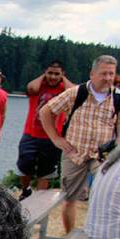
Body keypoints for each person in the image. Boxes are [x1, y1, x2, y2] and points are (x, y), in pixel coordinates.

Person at [40, 54, 120, 234]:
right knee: (69, 198)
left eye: (111, 74)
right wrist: (56, 139)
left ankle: (99, 233)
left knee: (106, 195)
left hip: (103, 156)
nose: (108, 78)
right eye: (104, 74)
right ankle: (69, 236)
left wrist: (119, 155)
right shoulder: (76, 93)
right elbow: (45, 111)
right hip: (73, 152)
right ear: (92, 73)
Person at [16, 60, 75, 199]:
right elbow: (31, 88)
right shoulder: (39, 86)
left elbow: (74, 92)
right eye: (50, 73)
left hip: (52, 136)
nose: (53, 77)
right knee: (24, 165)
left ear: (62, 75)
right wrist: (43, 77)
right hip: (31, 133)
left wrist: (63, 78)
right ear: (45, 72)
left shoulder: (64, 89)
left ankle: (39, 198)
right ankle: (26, 190)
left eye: (56, 74)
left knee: (46, 171)